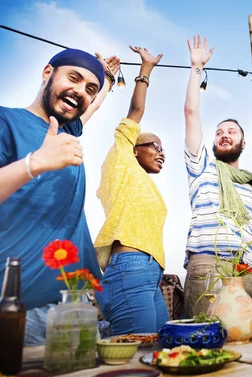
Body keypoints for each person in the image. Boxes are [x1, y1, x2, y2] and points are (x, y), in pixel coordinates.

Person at [0, 48, 119, 352]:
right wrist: (33, 163)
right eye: (73, 78)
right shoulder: (2, 120)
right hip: (7, 315)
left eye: (90, 88)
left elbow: (92, 106)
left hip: (72, 311)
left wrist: (108, 80)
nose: (80, 92)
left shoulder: (67, 132)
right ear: (47, 72)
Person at [183, 35, 252, 317]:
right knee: (204, 335)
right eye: (219, 132)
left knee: (248, 339)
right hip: (208, 263)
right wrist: (197, 68)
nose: (224, 135)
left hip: (248, 268)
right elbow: (191, 112)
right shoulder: (201, 167)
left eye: (232, 132)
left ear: (243, 143)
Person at [94, 46, 169, 335]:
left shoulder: (144, 183)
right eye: (155, 145)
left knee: (160, 345)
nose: (162, 153)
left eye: (164, 149)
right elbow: (136, 111)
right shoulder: (122, 159)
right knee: (135, 349)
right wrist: (146, 69)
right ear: (135, 148)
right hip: (131, 265)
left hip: (150, 272)